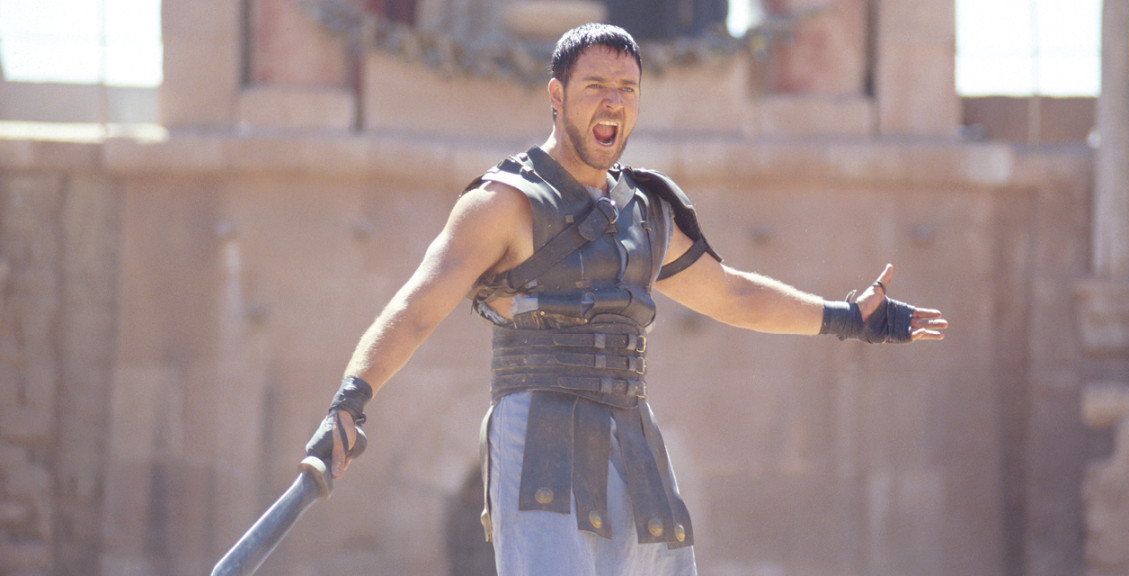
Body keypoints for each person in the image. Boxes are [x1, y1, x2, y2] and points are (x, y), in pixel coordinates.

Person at [304, 23, 948, 576]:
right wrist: (350, 400)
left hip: (635, 442)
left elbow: (732, 294)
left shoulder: (644, 212)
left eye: (627, 89)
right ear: (556, 96)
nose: (613, 102)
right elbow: (418, 306)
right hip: (540, 442)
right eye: (595, 87)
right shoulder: (501, 204)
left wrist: (848, 318)